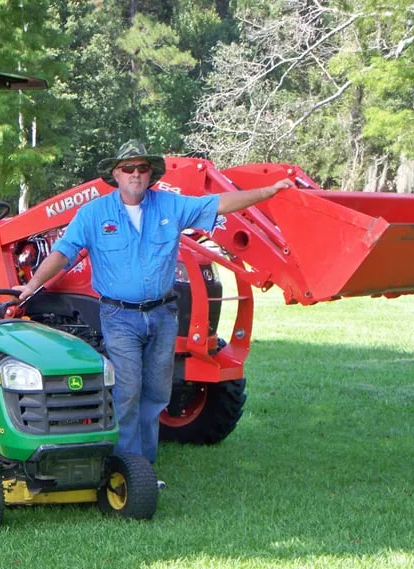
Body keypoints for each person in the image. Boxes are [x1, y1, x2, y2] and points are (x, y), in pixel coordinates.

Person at [15, 140, 293, 464]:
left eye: (142, 168)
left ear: (151, 174)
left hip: (162, 316)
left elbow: (219, 203)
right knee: (128, 391)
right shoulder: (93, 214)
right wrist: (31, 285)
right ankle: (125, 467)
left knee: (157, 395)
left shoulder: (170, 206)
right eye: (128, 168)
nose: (135, 174)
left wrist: (267, 192)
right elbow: (63, 253)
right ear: (116, 174)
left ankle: (144, 465)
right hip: (119, 317)